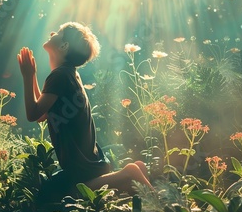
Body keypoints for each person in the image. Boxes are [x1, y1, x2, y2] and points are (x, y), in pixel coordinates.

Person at [18, 22, 152, 201]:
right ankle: (129, 176)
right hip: (91, 162)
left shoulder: (59, 76)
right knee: (59, 190)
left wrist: (27, 76)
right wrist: (33, 75)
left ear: (64, 46)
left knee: (63, 194)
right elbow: (43, 114)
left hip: (80, 168)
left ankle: (129, 174)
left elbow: (33, 114)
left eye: (58, 32)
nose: (52, 32)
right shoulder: (68, 74)